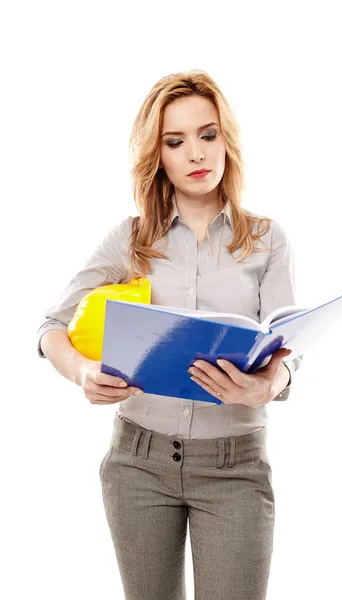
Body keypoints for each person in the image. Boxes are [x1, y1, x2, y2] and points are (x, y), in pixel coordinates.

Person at [37, 69, 303, 600]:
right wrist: (83, 372)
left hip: (236, 467)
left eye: (208, 134)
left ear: (227, 140)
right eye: (175, 142)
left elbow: (290, 346)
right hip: (138, 463)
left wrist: (269, 385)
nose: (196, 154)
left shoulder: (267, 240)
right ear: (158, 156)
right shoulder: (131, 238)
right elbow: (51, 328)